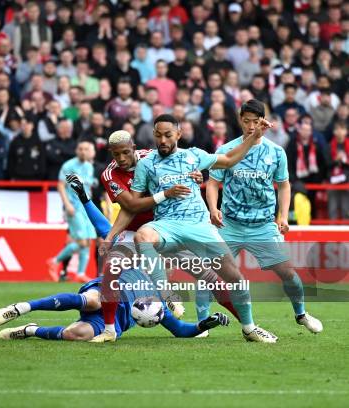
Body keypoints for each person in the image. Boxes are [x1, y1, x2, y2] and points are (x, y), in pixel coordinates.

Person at [101, 113, 278, 343]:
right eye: (158, 135)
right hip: (165, 227)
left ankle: (249, 327)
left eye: (167, 135)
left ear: (178, 134)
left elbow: (229, 159)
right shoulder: (146, 164)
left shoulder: (194, 155)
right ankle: (162, 296)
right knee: (142, 236)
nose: (162, 140)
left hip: (198, 226)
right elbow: (131, 206)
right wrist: (111, 235)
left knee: (233, 277)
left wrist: (253, 137)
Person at [205, 99, 322, 334]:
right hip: (230, 224)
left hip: (264, 226)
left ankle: (301, 314)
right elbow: (213, 183)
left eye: (255, 121)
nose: (250, 126)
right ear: (240, 120)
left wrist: (283, 216)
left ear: (263, 121)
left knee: (288, 273)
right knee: (210, 271)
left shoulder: (276, 152)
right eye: (246, 121)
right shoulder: (226, 150)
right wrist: (212, 208)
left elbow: (284, 185)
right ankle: (203, 322)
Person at [0, 268, 230, 342]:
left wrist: (207, 323)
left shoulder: (159, 302)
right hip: (105, 291)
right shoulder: (138, 261)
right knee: (94, 299)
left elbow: (180, 330)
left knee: (79, 334)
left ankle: (29, 330)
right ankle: (24, 307)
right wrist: (86, 199)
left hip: (113, 321)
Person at [47, 139, 96, 283]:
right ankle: (54, 261)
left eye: (86, 149)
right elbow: (61, 186)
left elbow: (88, 189)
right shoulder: (69, 165)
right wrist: (67, 204)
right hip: (73, 207)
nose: (83, 151)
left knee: (87, 241)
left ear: (90, 152)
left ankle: (80, 273)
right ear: (76, 151)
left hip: (85, 207)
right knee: (81, 242)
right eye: (80, 149)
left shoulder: (89, 167)